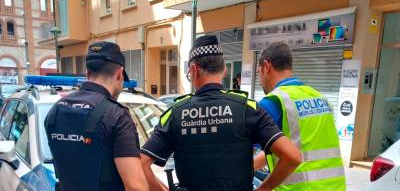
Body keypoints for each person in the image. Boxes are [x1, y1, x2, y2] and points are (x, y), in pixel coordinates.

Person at [140, 35, 301, 191]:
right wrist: (264, 189)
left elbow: (142, 163)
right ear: (224, 69)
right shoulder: (248, 109)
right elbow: (292, 156)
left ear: (194, 70)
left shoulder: (175, 114)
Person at [45, 42, 148, 191]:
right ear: (120, 73)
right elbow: (136, 186)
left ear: (87, 73)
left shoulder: (55, 110)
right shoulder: (116, 115)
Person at [253, 42, 346, 191]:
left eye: (258, 72)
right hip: (335, 187)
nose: (259, 81)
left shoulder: (272, 103)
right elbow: (286, 147)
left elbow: (246, 151)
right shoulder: (321, 98)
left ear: (266, 66)